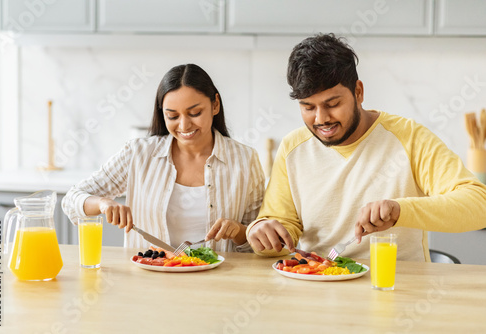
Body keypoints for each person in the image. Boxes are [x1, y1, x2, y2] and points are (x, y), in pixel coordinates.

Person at [246, 34, 486, 261]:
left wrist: (399, 210)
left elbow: (478, 205)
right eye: (308, 107)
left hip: (396, 287)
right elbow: (280, 229)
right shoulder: (293, 148)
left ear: (358, 92)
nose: (321, 119)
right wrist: (262, 232)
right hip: (317, 286)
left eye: (333, 104)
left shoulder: (409, 137)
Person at [62, 64, 265, 252]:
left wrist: (239, 232)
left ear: (215, 105)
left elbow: (258, 245)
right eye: (173, 116)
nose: (184, 126)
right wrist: (103, 203)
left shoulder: (245, 160)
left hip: (218, 282)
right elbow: (71, 200)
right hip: (148, 282)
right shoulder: (139, 154)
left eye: (194, 113)